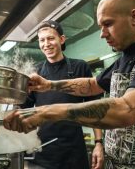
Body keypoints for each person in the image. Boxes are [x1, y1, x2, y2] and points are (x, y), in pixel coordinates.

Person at [4, 0, 135, 168]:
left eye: (108, 24)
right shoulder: (125, 60)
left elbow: (125, 110)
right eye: (100, 26)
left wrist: (46, 112)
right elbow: (91, 85)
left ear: (134, 17)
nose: (102, 34)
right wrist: (49, 85)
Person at [20, 20, 104, 169]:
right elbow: (23, 109)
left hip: (74, 152)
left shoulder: (80, 67)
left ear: (62, 39)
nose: (46, 44)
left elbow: (95, 108)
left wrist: (98, 143)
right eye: (42, 40)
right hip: (42, 151)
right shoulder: (34, 72)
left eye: (51, 38)